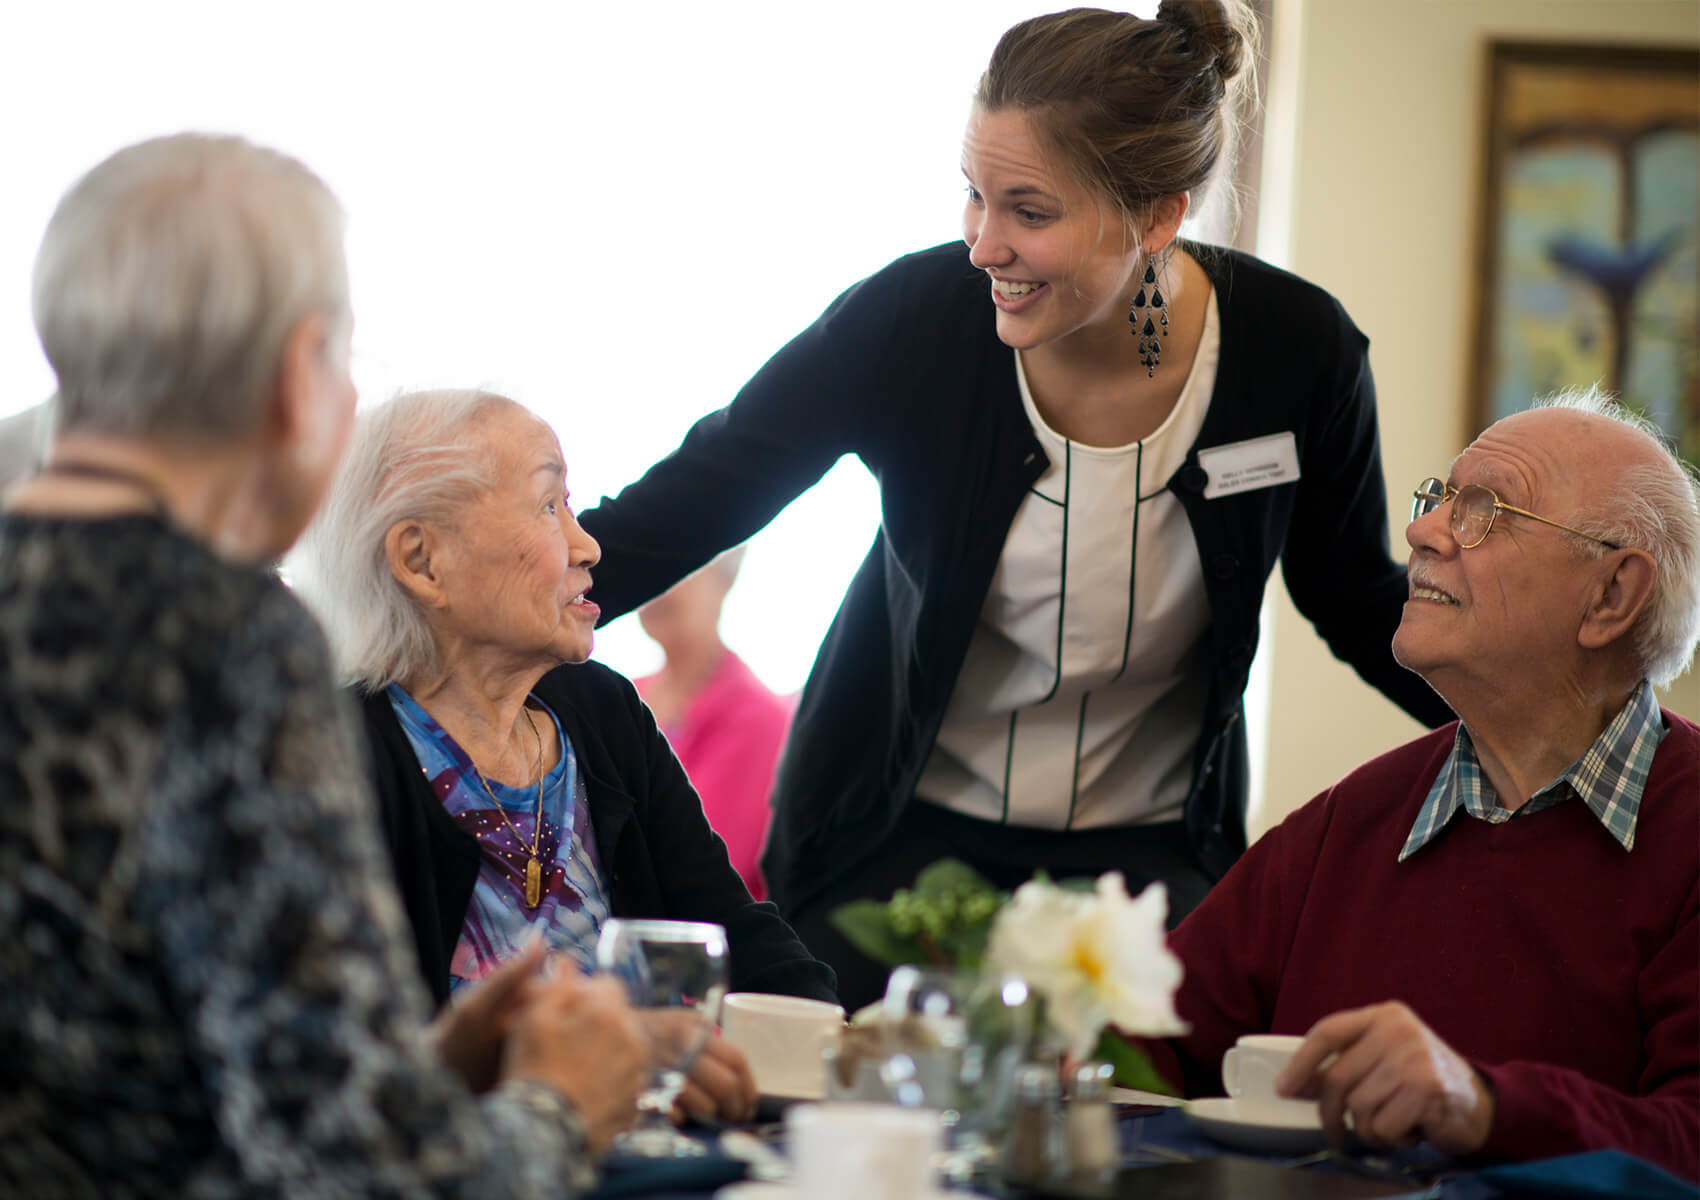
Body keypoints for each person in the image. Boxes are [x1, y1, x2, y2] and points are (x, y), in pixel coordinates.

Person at [578, 2, 1453, 1007]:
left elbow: (1353, 599)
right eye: (972, 196)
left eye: (1027, 211)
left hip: (1143, 867)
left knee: (1139, 1139)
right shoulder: (915, 324)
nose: (980, 245)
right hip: (894, 839)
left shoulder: (1295, 356)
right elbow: (703, 492)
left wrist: (1565, 729)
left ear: (1157, 215)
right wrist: (500, 602)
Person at [0, 134, 646, 1197]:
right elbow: (365, 1175)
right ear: (301, 377)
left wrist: (422, 1073)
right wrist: (558, 1103)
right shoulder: (221, 634)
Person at [1143, 391, 1699, 1176]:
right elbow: (1146, 1035)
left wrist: (1478, 1106)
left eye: (1485, 510)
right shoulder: (1354, 819)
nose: (1421, 531)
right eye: (1440, 499)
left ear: (1611, 595)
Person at [291, 387, 838, 1123]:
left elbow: (741, 937)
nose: (588, 546)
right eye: (550, 506)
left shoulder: (602, 711)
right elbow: (338, 1070)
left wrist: (835, 1043)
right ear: (422, 560)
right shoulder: (331, 758)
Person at [637, 547, 793, 899]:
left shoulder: (757, 719)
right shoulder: (625, 697)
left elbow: (703, 873)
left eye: (675, 570)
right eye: (647, 569)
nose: (653, 586)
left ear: (726, 577)